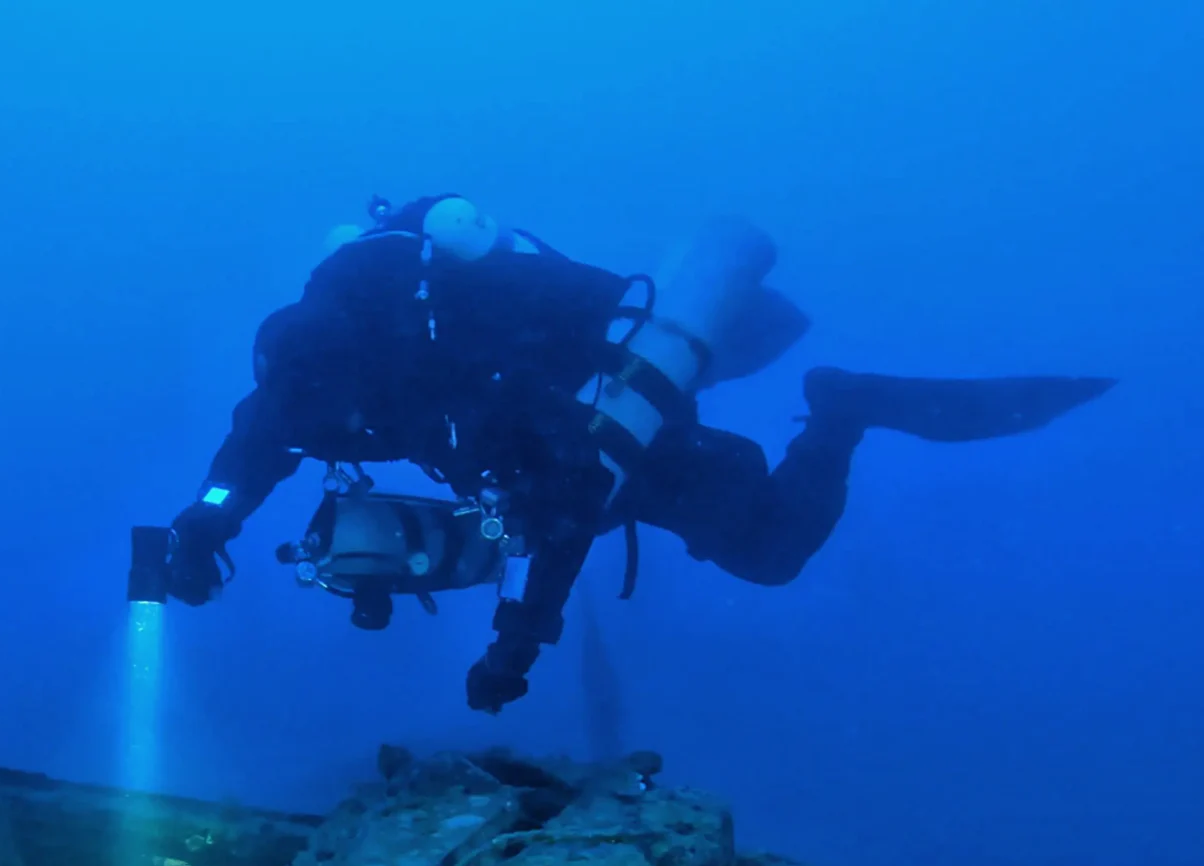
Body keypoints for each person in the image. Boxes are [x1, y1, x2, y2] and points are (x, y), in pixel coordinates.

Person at [149, 193, 1114, 713]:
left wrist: (519, 639)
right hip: (547, 443)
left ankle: (841, 408)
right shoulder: (306, 380)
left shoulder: (481, 382)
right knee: (671, 523)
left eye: (331, 422)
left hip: (607, 424)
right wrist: (206, 521)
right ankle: (832, 410)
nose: (329, 441)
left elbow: (568, 510)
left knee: (769, 553)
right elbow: (252, 449)